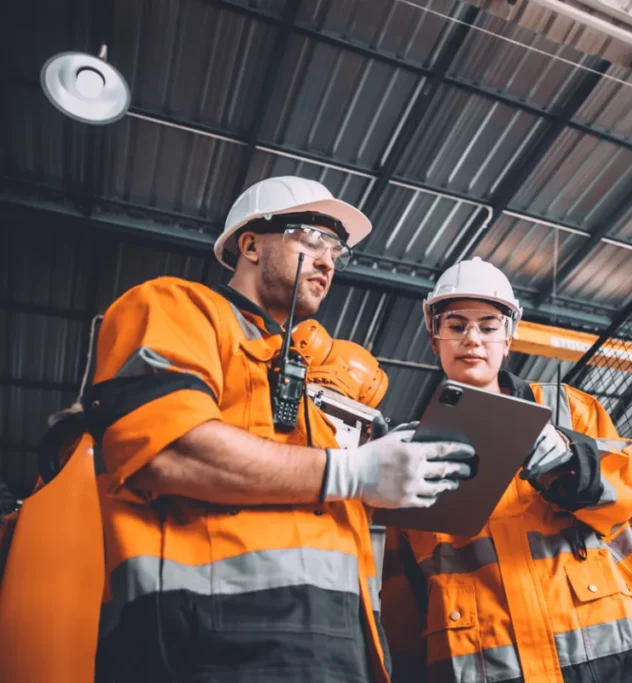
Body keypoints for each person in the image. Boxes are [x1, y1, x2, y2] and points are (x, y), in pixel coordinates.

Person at [82, 176, 474, 682]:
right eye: (311, 239)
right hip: (206, 641)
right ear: (250, 244)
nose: (328, 260)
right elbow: (169, 449)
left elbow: (331, 488)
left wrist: (396, 475)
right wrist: (352, 472)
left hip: (340, 644)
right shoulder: (177, 309)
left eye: (336, 249)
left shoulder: (319, 373)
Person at [380, 257, 632, 683]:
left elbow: (625, 494)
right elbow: (403, 599)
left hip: (615, 664)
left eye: (488, 326)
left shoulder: (569, 409)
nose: (472, 338)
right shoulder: (412, 457)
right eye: (456, 326)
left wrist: (569, 459)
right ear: (436, 338)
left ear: (508, 337)